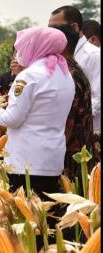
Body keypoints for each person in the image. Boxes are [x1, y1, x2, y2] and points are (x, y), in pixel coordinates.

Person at [0, 26, 75, 211]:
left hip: (26, 163)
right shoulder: (64, 74)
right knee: (45, 220)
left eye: (22, 47)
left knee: (24, 219)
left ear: (36, 47)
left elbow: (12, 119)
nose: (19, 52)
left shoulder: (28, 76)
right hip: (51, 159)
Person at [49, 6, 101, 160]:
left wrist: (73, 115)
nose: (51, 33)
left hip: (88, 132)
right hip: (64, 131)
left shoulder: (94, 55)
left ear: (74, 27)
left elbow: (98, 96)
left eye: (55, 28)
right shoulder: (58, 56)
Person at [50, 24, 94, 180]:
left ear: (62, 44)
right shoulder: (67, 70)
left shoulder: (70, 75)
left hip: (71, 157)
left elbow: (68, 123)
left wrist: (52, 154)